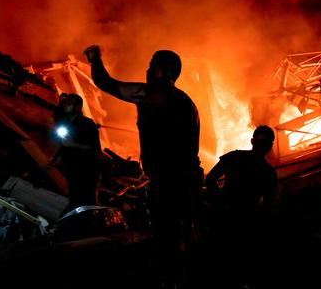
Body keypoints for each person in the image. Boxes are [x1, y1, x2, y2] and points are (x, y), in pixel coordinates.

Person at [84, 45, 202, 286]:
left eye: (151, 65)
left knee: (167, 239)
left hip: (171, 183)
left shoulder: (153, 95)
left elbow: (106, 83)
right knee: (182, 235)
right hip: (186, 180)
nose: (147, 70)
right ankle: (185, 278)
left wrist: (95, 59)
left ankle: (171, 282)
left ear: (160, 70)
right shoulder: (186, 102)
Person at [205, 125, 278, 287]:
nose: (263, 146)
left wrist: (220, 203)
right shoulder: (268, 172)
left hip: (234, 219)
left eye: (265, 143)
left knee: (227, 263)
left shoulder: (235, 158)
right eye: (263, 142)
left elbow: (210, 178)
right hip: (243, 221)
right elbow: (268, 205)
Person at [50, 93, 102, 207]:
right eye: (65, 103)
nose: (65, 105)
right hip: (70, 166)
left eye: (69, 103)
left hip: (86, 169)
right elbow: (63, 146)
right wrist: (54, 161)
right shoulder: (65, 122)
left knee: (85, 201)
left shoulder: (87, 125)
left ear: (77, 107)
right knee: (70, 197)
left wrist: (73, 144)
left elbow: (94, 150)